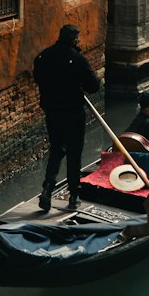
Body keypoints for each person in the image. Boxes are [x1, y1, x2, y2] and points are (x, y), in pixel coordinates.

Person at [33, 24, 101, 211]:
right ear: (73, 40)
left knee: (56, 150)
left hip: (52, 113)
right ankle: (74, 195)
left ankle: (47, 189)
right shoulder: (77, 59)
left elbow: (38, 79)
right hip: (73, 113)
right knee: (73, 153)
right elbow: (93, 86)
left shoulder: (43, 57)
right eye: (77, 39)